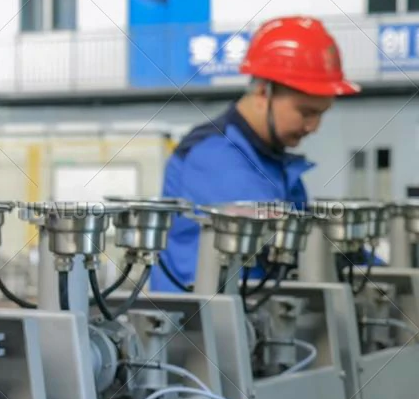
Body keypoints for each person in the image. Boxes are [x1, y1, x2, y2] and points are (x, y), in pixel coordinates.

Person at [151, 16, 361, 292]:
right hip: (196, 326)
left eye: (321, 114)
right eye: (306, 112)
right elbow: (285, 237)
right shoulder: (215, 155)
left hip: (250, 315)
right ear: (264, 92)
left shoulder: (272, 160)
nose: (313, 127)